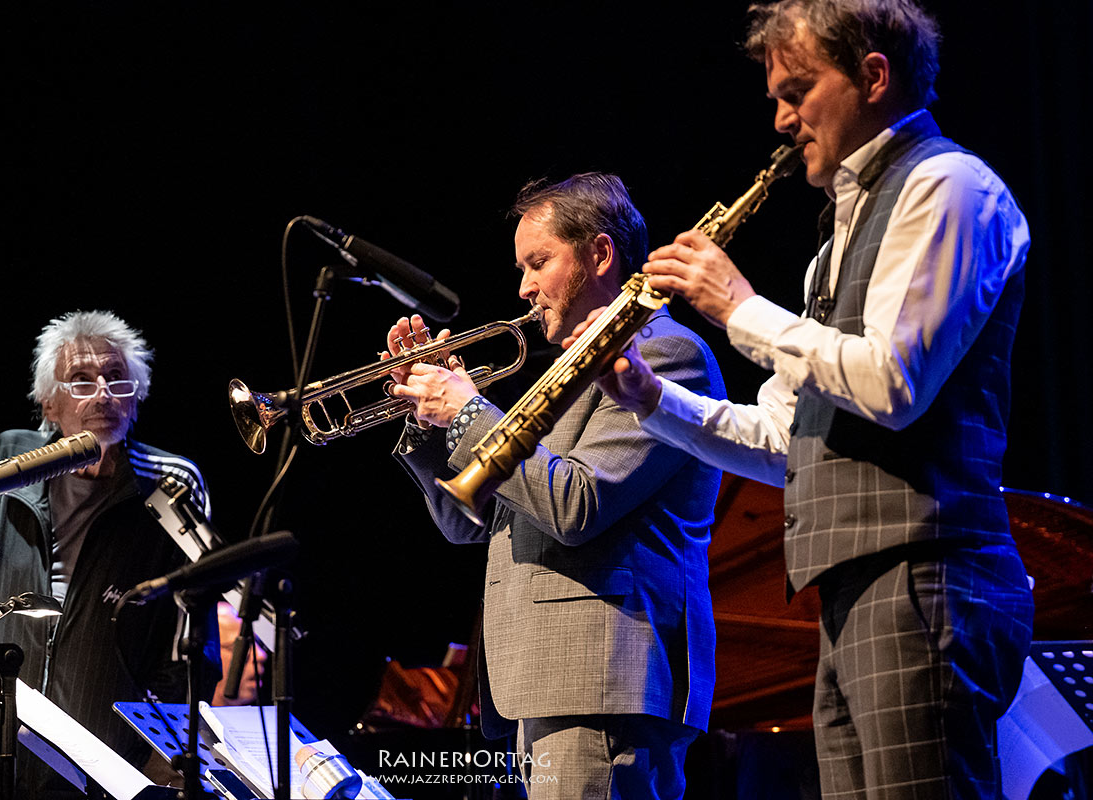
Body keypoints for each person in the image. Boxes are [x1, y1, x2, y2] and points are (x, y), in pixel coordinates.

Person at [576, 1, 1034, 797]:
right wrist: (652, 401)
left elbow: (893, 383)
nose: (783, 120)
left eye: (798, 90)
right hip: (857, 586)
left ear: (874, 76)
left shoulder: (948, 187)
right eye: (775, 99)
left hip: (926, 577)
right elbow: (788, 438)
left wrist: (737, 307)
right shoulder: (835, 245)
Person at [385, 173, 725, 799]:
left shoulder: (669, 355)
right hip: (540, 683)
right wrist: (430, 420)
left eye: (538, 262)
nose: (523, 287)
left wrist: (466, 411)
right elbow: (468, 523)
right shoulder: (565, 378)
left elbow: (577, 504)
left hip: (602, 683)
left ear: (600, 254)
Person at [0, 310, 216, 799]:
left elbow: (188, 643)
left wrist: (152, 750)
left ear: (137, 395)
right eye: (81, 381)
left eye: (116, 379)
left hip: (103, 770)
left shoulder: (169, 484)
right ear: (48, 403)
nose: (102, 394)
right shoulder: (8, 459)